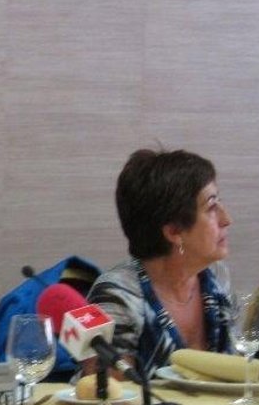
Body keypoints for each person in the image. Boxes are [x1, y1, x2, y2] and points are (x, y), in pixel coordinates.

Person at [86, 148, 234, 377]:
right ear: (174, 231)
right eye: (212, 207)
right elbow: (110, 391)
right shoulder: (116, 295)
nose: (227, 219)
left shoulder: (215, 282)